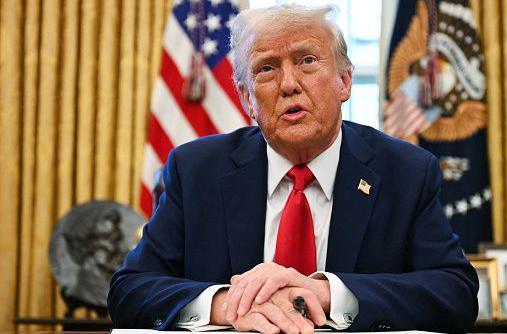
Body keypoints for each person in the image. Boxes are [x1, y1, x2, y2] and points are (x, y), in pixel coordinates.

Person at [108, 4, 478, 333]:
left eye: (307, 61)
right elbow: (130, 289)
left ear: (344, 81)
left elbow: (455, 291)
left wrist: (325, 292)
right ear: (247, 98)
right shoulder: (195, 171)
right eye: (267, 69)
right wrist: (228, 305)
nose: (288, 84)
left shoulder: (406, 172)